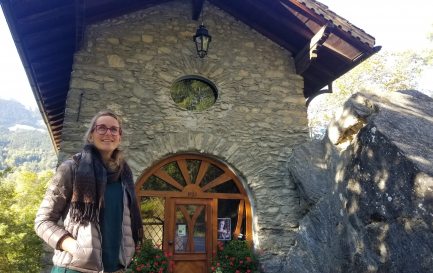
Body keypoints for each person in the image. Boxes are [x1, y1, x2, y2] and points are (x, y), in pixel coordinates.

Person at [35, 110, 143, 273]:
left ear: (119, 137)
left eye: (114, 129)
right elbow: (43, 221)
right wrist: (74, 247)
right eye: (101, 128)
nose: (108, 133)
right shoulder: (72, 169)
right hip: (75, 268)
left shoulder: (124, 175)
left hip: (116, 268)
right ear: (91, 135)